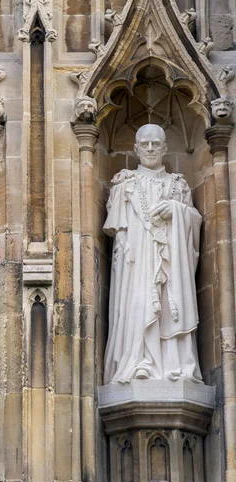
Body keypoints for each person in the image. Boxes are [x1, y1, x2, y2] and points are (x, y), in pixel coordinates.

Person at [103, 124, 203, 384]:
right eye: (144, 144)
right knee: (138, 305)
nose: (149, 148)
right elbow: (119, 236)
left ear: (165, 148)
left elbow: (195, 223)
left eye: (155, 144)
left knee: (172, 306)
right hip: (137, 266)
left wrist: (177, 211)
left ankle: (174, 365)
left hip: (172, 263)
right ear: (135, 148)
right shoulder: (124, 186)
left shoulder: (179, 187)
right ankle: (137, 362)